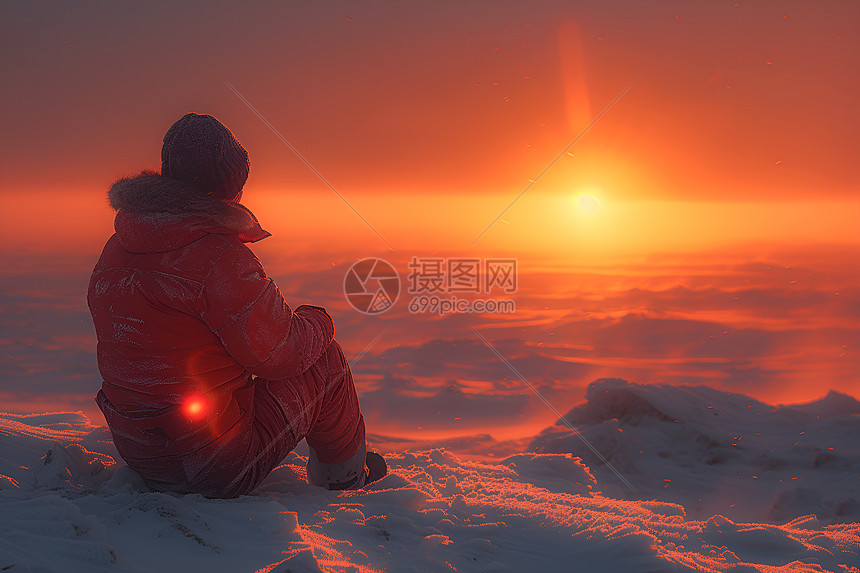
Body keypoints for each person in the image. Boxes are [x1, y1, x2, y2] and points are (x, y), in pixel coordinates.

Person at [88, 112, 385, 498]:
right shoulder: (217, 258)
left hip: (139, 449)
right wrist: (319, 320)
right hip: (208, 464)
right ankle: (346, 482)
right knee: (325, 361)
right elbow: (283, 356)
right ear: (231, 185)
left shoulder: (117, 248)